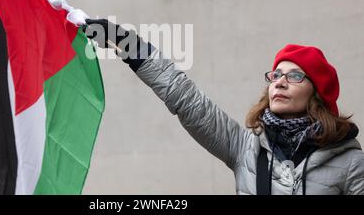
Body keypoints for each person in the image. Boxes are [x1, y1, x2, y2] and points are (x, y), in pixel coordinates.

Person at [83, 18, 364, 195]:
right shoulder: (244, 148)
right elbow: (186, 98)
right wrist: (127, 44)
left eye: (295, 76)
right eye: (276, 75)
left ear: (317, 95)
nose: (280, 82)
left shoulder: (350, 163)